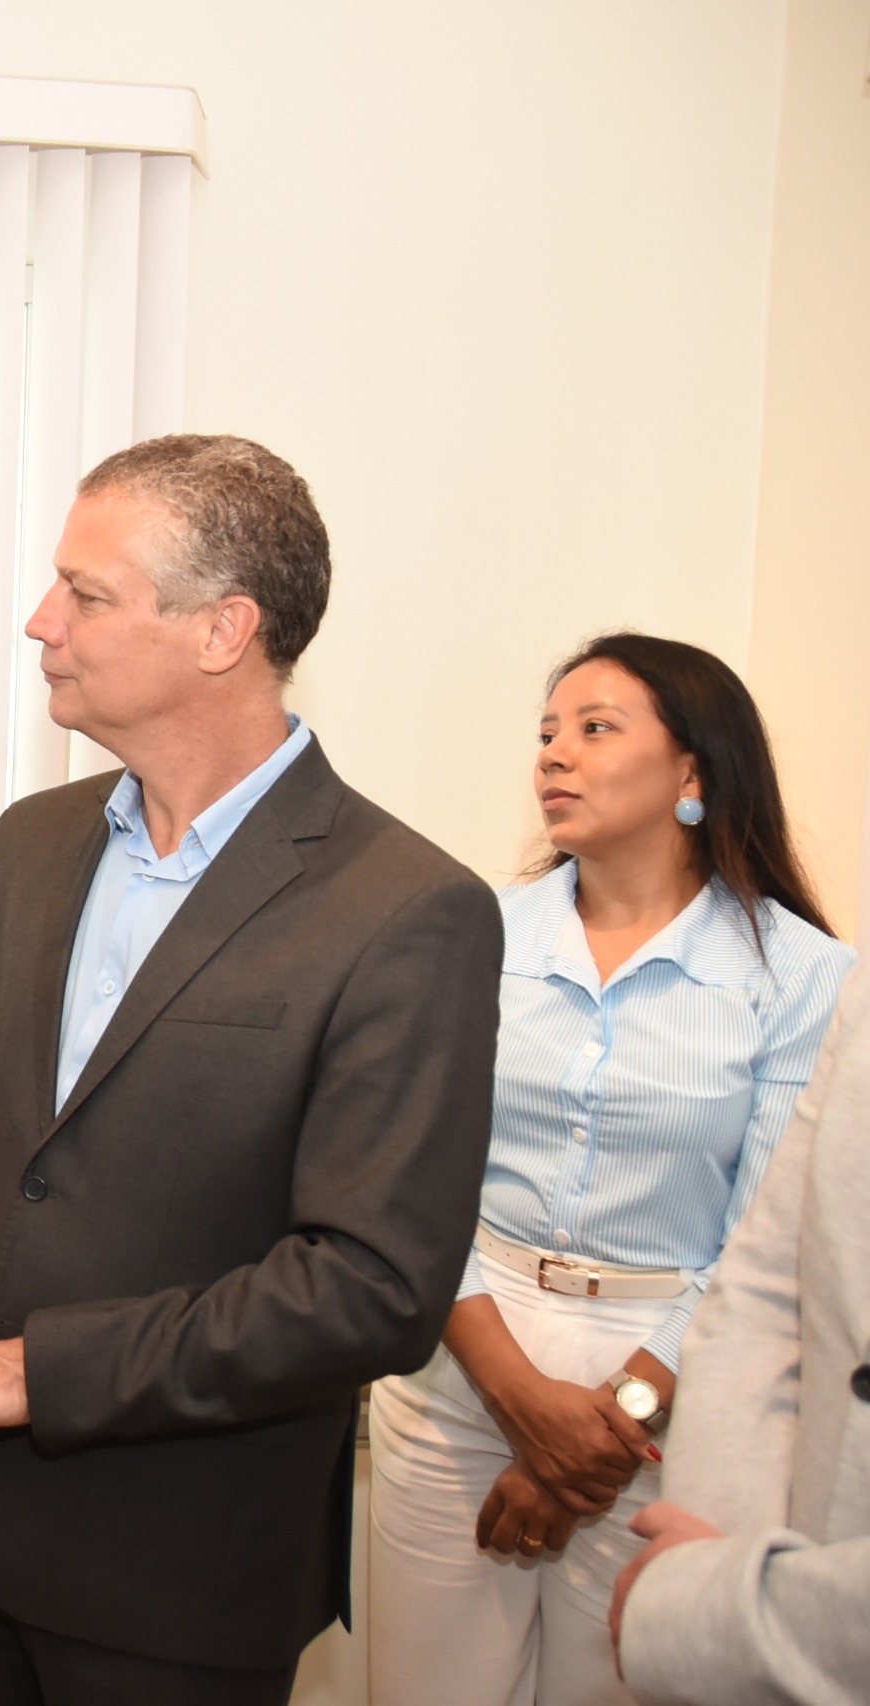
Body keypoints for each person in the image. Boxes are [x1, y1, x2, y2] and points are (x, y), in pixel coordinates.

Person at [0, 434, 504, 1705]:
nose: (40, 621)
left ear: (220, 630)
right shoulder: (36, 840)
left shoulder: (407, 908)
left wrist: (26, 1371)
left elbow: (370, 1287)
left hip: (179, 1580)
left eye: (85, 594)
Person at [363, 634, 851, 1706]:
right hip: (461, 1356)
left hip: (672, 1393)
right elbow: (407, 1180)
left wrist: (603, 1425)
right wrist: (518, 1397)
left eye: (594, 728)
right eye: (546, 733)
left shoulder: (803, 975)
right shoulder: (467, 931)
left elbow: (763, 1241)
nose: (554, 754)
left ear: (693, 773)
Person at [608, 962, 870, 1702]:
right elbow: (765, 1284)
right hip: (769, 1558)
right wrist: (718, 1572)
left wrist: (730, 1606)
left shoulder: (802, 969)